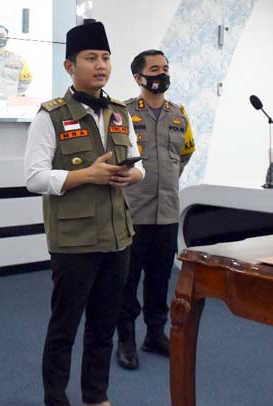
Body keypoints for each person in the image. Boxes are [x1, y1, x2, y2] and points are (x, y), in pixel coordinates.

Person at [24, 20, 144, 406]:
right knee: (65, 326)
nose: (101, 65)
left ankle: (96, 397)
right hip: (74, 241)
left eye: (106, 58)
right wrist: (87, 176)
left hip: (118, 237)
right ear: (69, 65)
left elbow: (139, 163)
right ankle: (57, 405)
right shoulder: (51, 115)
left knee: (104, 324)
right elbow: (35, 178)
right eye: (91, 58)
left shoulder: (120, 113)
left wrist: (130, 176)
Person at [115, 49, 195, 370]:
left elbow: (185, 155)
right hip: (133, 211)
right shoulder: (121, 113)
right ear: (139, 77)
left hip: (167, 213)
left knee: (160, 277)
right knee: (127, 279)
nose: (161, 74)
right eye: (154, 69)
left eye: (165, 68)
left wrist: (167, 181)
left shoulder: (180, 114)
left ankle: (154, 333)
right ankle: (126, 338)